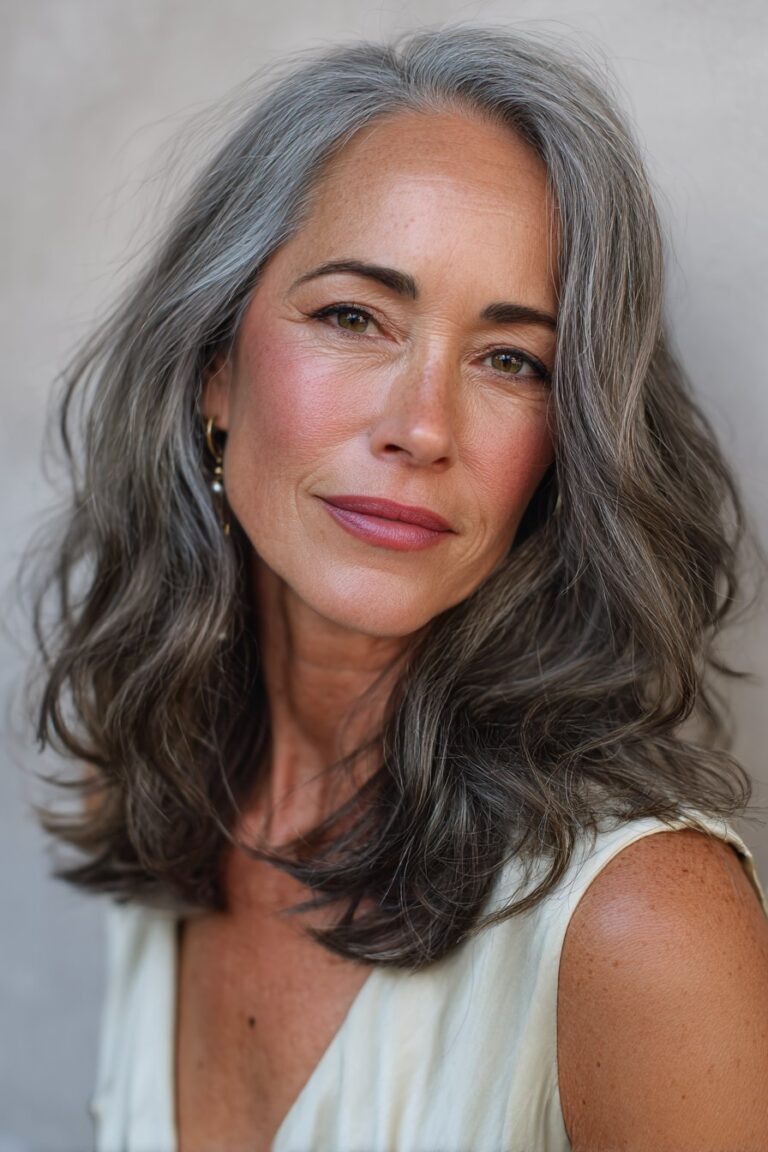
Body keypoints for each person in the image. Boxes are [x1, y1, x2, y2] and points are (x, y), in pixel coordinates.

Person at [21, 23, 768, 1152]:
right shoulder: (169, 802)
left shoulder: (642, 924)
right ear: (215, 370)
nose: (422, 428)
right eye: (353, 317)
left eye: (511, 359)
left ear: (569, 443)